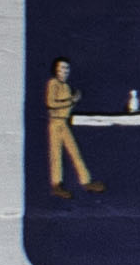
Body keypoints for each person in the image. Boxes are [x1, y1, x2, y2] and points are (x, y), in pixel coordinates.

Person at [42, 57, 102, 195]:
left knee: (74, 152)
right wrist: (71, 100)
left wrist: (73, 101)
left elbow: (67, 106)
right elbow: (51, 103)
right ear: (55, 69)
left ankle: (86, 181)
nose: (64, 71)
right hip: (55, 122)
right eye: (61, 68)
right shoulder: (53, 83)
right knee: (56, 154)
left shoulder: (66, 87)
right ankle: (56, 185)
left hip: (64, 121)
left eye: (66, 68)